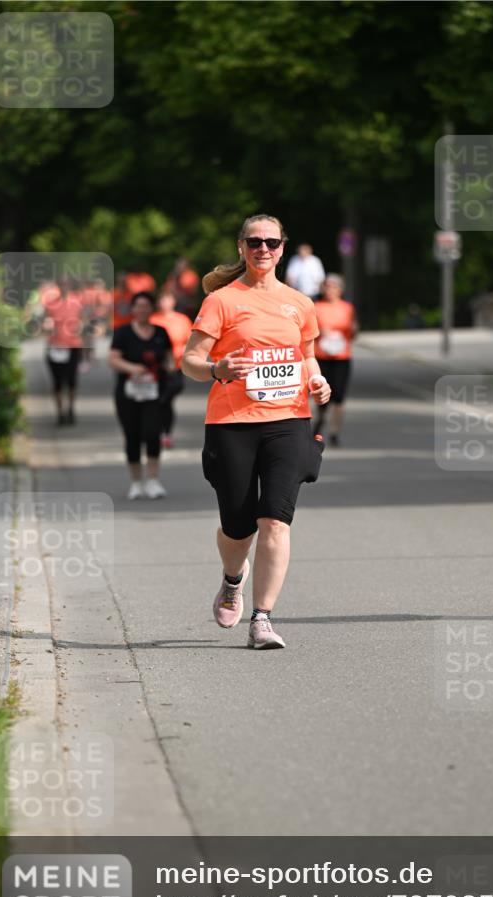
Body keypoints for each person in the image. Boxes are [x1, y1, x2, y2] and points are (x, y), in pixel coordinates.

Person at [182, 213, 331, 649]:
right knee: (238, 526)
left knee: (276, 521)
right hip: (232, 424)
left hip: (289, 420)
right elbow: (189, 361)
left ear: (283, 249)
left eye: (271, 242)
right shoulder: (222, 301)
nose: (263, 249)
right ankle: (233, 579)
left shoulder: (299, 303)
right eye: (254, 242)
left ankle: (262, 618)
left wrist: (317, 380)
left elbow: (307, 355)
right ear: (241, 247)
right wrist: (217, 368)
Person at [108, 291, 173, 500]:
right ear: (133, 309)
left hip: (154, 393)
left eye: (146, 306)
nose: (142, 310)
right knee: (132, 435)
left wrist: (170, 369)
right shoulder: (123, 332)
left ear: (152, 308)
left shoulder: (161, 332)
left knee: (153, 434)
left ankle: (153, 480)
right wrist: (133, 368)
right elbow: (113, 359)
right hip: (129, 393)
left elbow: (169, 359)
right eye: (138, 306)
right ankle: (136, 482)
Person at [313, 273, 358, 445]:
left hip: (341, 357)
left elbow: (353, 332)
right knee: (322, 396)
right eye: (327, 286)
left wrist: (353, 329)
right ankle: (320, 422)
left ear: (340, 290)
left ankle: (334, 432)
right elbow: (308, 331)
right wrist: (321, 332)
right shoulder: (316, 307)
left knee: (339, 396)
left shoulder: (347, 308)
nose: (330, 290)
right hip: (321, 356)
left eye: (334, 287)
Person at [150, 290, 192, 447]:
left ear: (173, 302)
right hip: (157, 367)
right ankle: (162, 433)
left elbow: (191, 342)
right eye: (161, 300)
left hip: (176, 366)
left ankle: (164, 432)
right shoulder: (153, 319)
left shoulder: (182, 320)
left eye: (167, 300)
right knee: (160, 401)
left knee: (166, 398)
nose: (164, 303)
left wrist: (181, 352)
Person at [43, 279, 84, 426]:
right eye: (61, 284)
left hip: (73, 346)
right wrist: (47, 326)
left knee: (72, 381)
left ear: (69, 286)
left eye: (66, 284)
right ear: (58, 286)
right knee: (57, 382)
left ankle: (71, 410)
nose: (64, 287)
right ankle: (60, 413)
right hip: (55, 346)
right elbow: (45, 322)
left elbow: (83, 321)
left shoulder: (77, 302)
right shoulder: (50, 304)